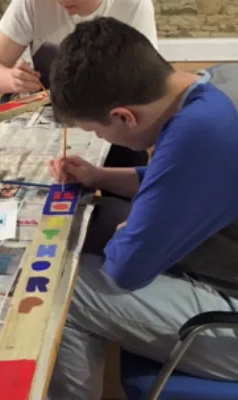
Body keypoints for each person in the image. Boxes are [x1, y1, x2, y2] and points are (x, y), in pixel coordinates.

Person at [46, 17, 238, 400]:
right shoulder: (216, 84)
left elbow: (125, 269)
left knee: (63, 290)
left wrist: (129, 233)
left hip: (228, 320)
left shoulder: (197, 132)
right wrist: (100, 176)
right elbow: (178, 176)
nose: (99, 137)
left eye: (97, 132)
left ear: (123, 116)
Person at [0, 0, 157, 173]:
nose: (62, 1)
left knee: (126, 163)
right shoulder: (32, 3)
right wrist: (12, 79)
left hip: (109, 111)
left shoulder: (134, 5)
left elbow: (146, 85)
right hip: (51, 110)